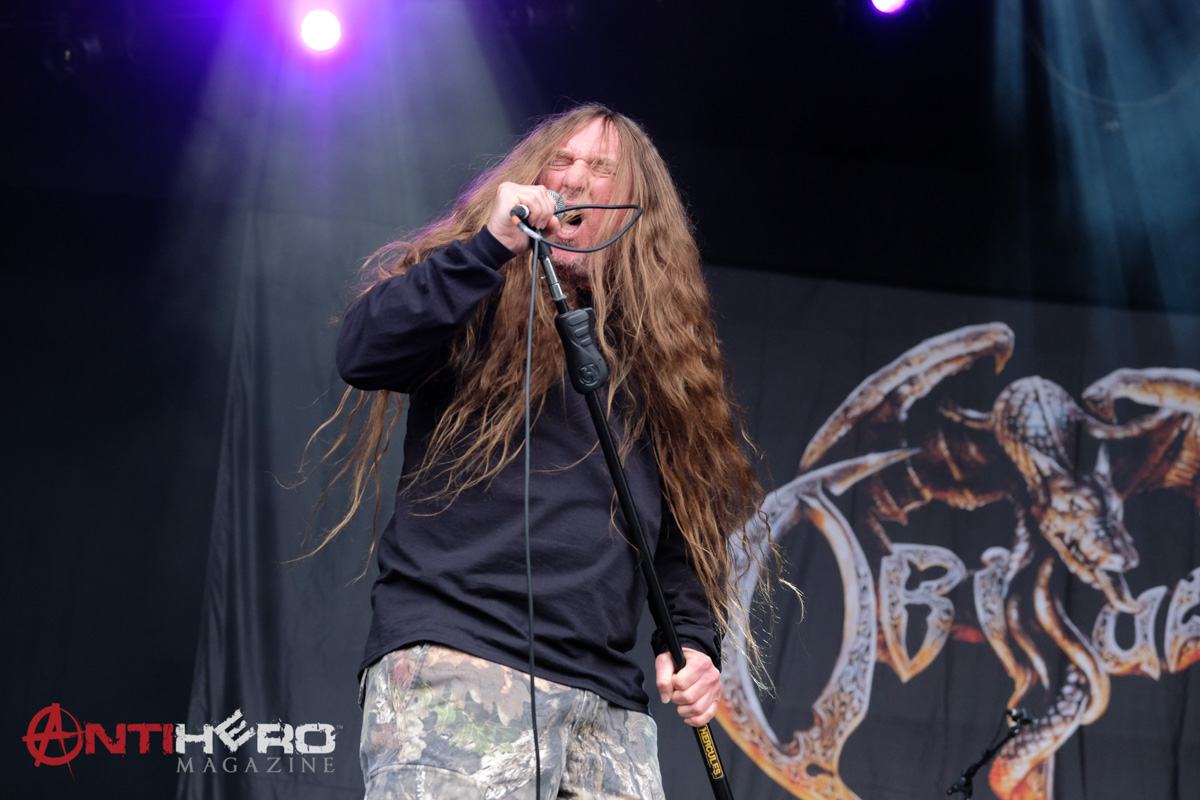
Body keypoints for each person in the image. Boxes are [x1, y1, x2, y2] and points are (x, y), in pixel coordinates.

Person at [321, 104, 774, 799]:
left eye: (602, 168)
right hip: (461, 665)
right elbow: (363, 351)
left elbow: (679, 531)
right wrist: (486, 249)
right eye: (562, 161)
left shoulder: (660, 356)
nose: (576, 179)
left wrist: (691, 640)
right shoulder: (471, 292)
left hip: (606, 706)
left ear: (636, 211)